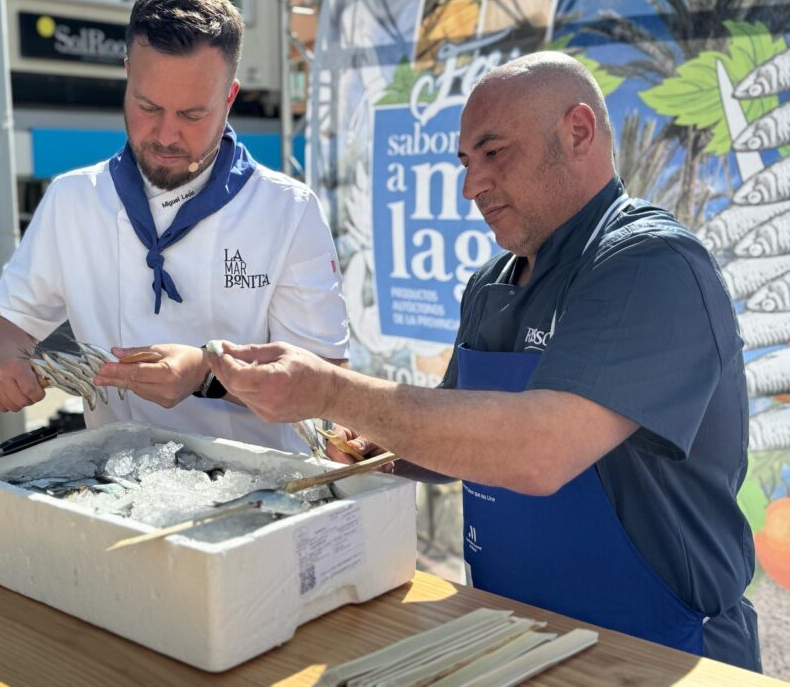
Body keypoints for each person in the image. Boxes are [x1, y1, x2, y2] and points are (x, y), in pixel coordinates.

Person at [206, 52, 761, 671]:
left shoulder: (649, 265)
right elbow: (457, 435)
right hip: (507, 638)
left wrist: (331, 392)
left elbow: (538, 451)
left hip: (656, 654)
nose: (472, 186)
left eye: (494, 153)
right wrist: (373, 446)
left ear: (578, 132)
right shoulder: (490, 284)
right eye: (467, 163)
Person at [0, 0, 348, 452]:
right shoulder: (73, 199)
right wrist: (2, 361)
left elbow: (327, 383)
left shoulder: (287, 210)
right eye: (148, 107)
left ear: (229, 97)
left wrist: (207, 375)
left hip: (260, 483)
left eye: (192, 114)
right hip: (116, 474)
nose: (167, 135)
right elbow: (6, 321)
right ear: (127, 76)